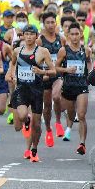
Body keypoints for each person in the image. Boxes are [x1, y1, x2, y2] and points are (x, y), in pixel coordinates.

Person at [8, 25, 57, 162]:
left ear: (36, 36)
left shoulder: (43, 51)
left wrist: (42, 72)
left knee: (37, 125)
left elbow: (53, 71)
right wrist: (11, 75)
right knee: (23, 115)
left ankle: (34, 149)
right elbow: (12, 64)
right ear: (23, 35)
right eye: (26, 34)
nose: (29, 37)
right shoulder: (17, 51)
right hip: (22, 89)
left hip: (36, 90)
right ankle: (26, 120)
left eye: (32, 34)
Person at [55, 22, 92, 154]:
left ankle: (82, 143)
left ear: (81, 34)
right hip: (68, 87)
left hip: (82, 86)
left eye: (77, 34)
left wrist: (90, 75)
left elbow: (89, 64)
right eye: (72, 34)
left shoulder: (86, 50)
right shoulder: (63, 50)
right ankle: (69, 123)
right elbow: (56, 67)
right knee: (71, 115)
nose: (75, 37)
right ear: (68, 35)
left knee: (81, 115)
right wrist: (66, 69)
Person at [38, 11, 64, 146]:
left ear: (56, 23)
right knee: (47, 106)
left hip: (57, 74)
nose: (50, 25)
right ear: (43, 24)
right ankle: (48, 129)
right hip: (45, 75)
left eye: (52, 22)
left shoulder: (61, 39)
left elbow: (67, 55)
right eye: (47, 22)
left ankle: (58, 121)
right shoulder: (40, 40)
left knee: (56, 97)